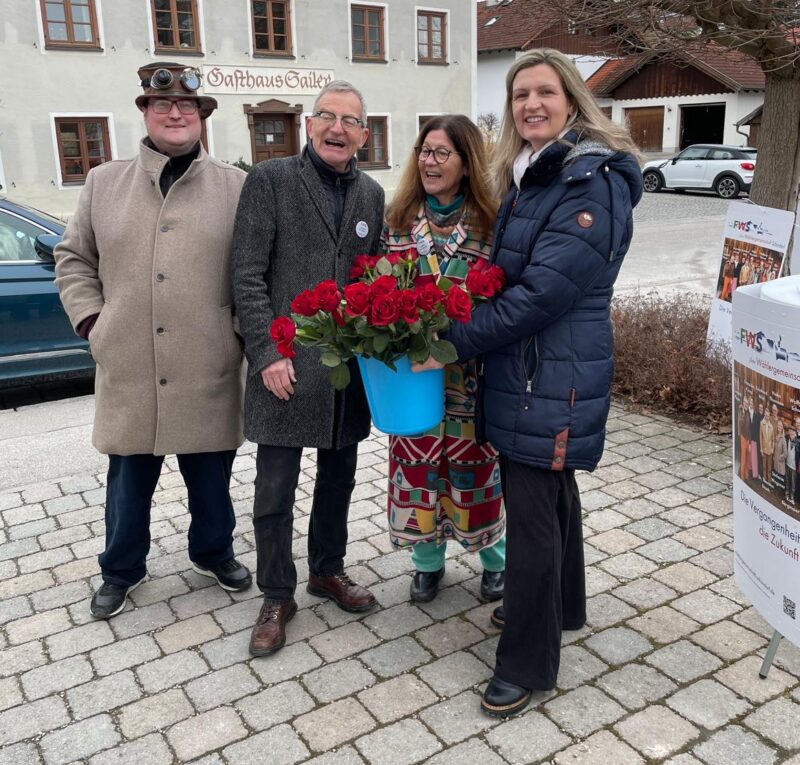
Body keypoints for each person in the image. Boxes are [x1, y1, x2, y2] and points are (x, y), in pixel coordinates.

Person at [415, 49, 642, 716]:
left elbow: (538, 297)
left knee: (535, 515)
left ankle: (527, 663)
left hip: (552, 373)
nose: (531, 104)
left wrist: (448, 344)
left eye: (544, 92)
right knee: (552, 494)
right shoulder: (533, 175)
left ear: (572, 100)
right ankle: (561, 609)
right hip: (533, 370)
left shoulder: (585, 182)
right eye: (520, 95)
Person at [54, 63, 251, 619]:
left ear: (203, 118)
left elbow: (255, 268)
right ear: (144, 112)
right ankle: (120, 569)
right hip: (129, 360)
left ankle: (214, 552)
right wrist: (95, 321)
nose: (175, 114)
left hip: (207, 358)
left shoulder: (236, 187)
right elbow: (73, 259)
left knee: (211, 475)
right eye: (162, 105)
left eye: (187, 108)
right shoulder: (103, 182)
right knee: (128, 479)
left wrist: (238, 333)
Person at [231, 81, 384, 657]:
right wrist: (267, 355)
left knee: (339, 479)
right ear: (310, 124)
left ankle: (327, 570)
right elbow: (246, 274)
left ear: (363, 134)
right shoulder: (270, 181)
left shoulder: (370, 192)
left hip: (344, 371)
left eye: (350, 120)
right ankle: (276, 593)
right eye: (328, 117)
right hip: (285, 367)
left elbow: (372, 281)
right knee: (274, 487)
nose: (338, 129)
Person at [380, 115, 506, 604]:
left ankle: (496, 558)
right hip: (413, 377)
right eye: (424, 152)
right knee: (415, 465)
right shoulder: (400, 218)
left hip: (470, 373)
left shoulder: (490, 222)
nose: (429, 162)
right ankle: (426, 562)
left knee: (476, 467)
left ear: (466, 161)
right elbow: (378, 289)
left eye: (441, 153)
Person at [760, 403, 776, 487]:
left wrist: (773, 449)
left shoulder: (771, 426)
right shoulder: (761, 423)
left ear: (769, 416)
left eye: (768, 416)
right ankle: (764, 479)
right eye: (766, 415)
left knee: (769, 468)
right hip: (764, 449)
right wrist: (761, 449)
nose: (767, 417)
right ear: (764, 415)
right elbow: (761, 437)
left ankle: (769, 482)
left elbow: (773, 440)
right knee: (764, 466)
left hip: (770, 450)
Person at [773, 416, 787, 496]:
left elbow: (785, 454)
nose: (779, 427)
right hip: (775, 462)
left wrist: (779, 459)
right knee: (776, 476)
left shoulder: (783, 439)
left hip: (780, 463)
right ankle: (776, 492)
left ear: (782, 428)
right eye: (778, 425)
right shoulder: (776, 436)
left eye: (780, 426)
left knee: (780, 479)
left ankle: (779, 494)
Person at [786, 427, 796, 504]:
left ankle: (792, 495)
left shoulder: (798, 443)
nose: (791, 434)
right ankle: (787, 492)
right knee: (787, 480)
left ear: (795, 434)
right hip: (787, 464)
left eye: (793, 433)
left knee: (793, 482)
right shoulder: (787, 439)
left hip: (794, 467)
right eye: (791, 432)